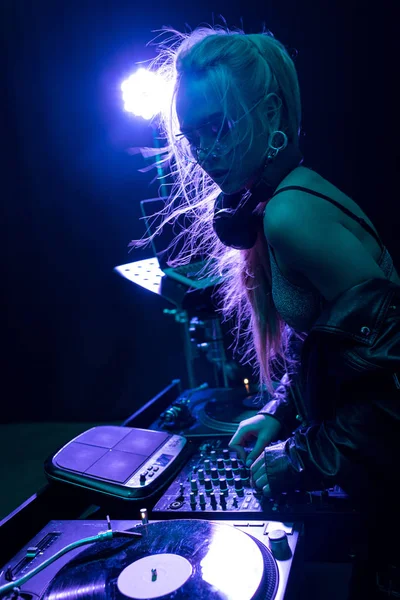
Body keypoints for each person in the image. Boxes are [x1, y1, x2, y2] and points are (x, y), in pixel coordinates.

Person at [138, 24, 400, 598]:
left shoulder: (289, 216)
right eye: (194, 136)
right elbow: (326, 338)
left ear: (271, 112)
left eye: (221, 128)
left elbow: (396, 384)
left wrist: (303, 457)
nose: (206, 153)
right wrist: (281, 411)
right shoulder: (285, 198)